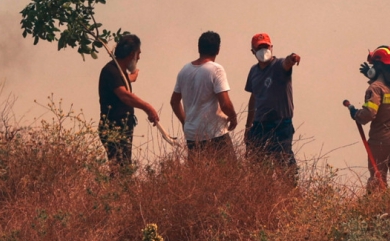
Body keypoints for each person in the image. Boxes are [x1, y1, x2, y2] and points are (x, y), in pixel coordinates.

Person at [348, 45, 390, 191]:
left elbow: (369, 114)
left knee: (377, 182)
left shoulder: (375, 88)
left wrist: (355, 113)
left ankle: (377, 212)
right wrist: (373, 77)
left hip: (381, 141)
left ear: (378, 67)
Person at [170, 31, 238, 163]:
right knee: (229, 174)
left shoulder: (184, 70)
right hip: (214, 133)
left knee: (198, 176)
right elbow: (225, 104)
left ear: (199, 48)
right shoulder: (216, 69)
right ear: (218, 50)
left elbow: (174, 102)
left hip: (192, 134)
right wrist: (233, 118)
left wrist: (186, 121)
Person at [98, 34, 159, 176]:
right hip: (113, 128)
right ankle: (118, 196)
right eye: (138, 54)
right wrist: (147, 107)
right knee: (120, 170)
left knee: (123, 167)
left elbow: (125, 80)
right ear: (132, 54)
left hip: (122, 128)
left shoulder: (120, 72)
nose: (139, 58)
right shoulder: (111, 71)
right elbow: (124, 95)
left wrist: (132, 75)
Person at [244, 33, 301, 174]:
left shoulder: (279, 66)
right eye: (259, 48)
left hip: (280, 124)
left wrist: (293, 58)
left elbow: (287, 63)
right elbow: (253, 97)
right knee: (258, 166)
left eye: (266, 46)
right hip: (259, 125)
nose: (263, 51)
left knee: (284, 165)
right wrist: (248, 125)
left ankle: (290, 193)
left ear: (272, 48)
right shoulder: (253, 71)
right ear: (253, 51)